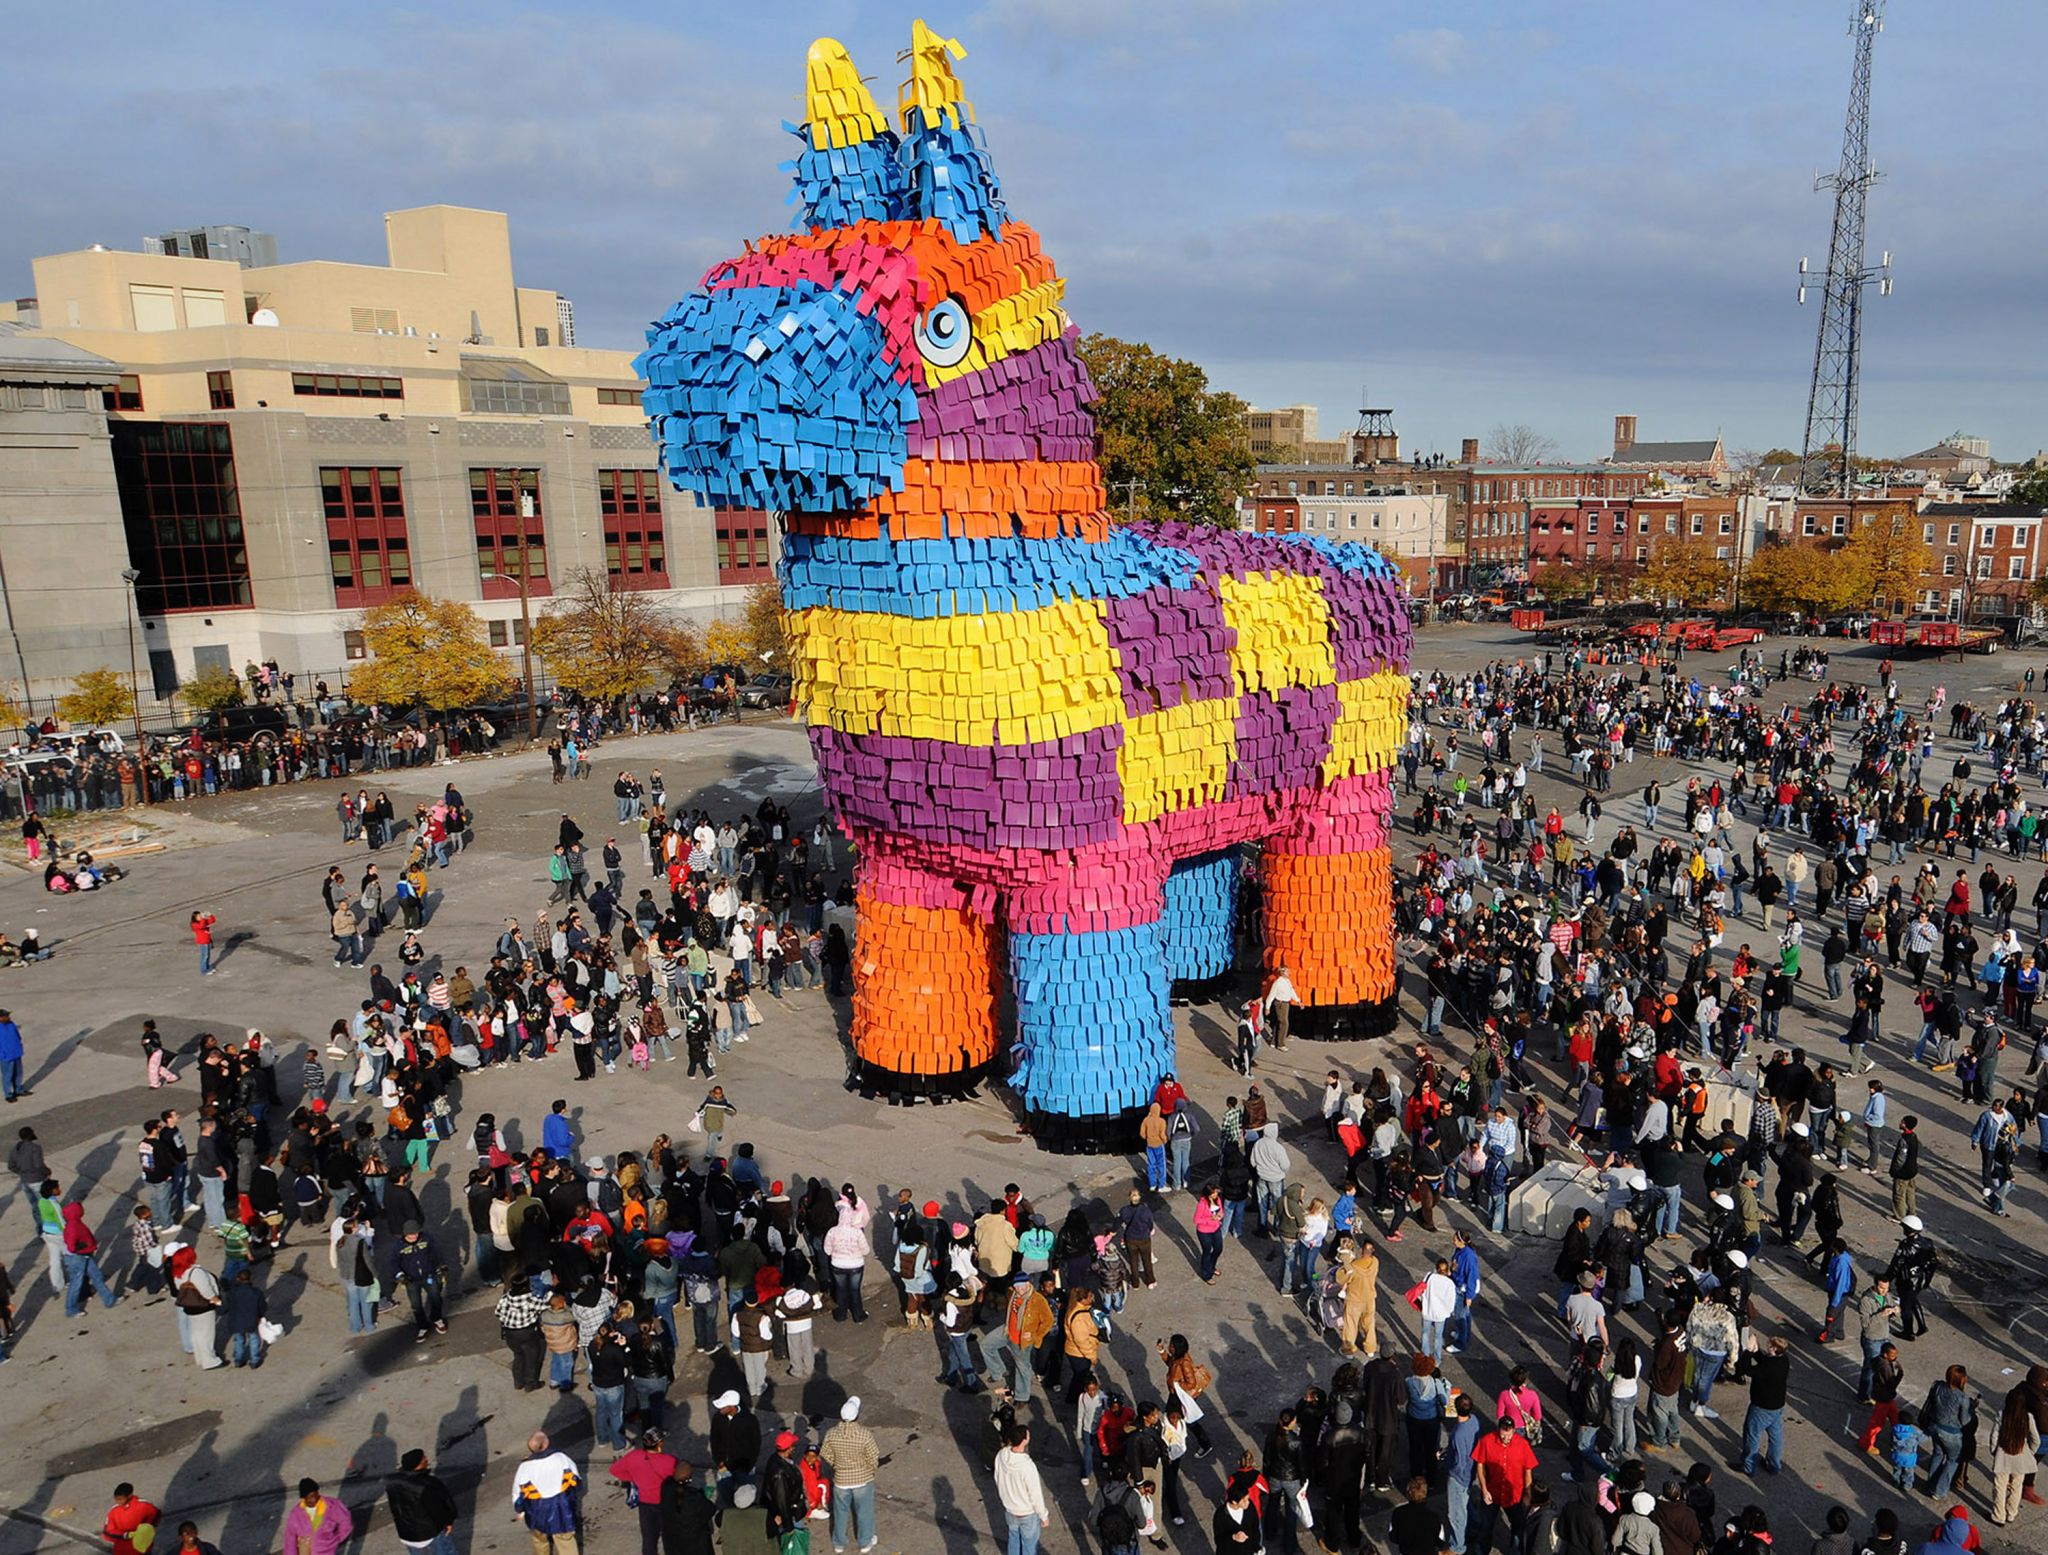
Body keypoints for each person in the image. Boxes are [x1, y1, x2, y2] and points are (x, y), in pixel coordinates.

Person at [821, 1395, 879, 1554]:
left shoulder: (832, 1433)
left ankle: (839, 1543)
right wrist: (869, 1471)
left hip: (841, 1480)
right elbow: (873, 1457)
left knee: (840, 1513)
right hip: (862, 1479)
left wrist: (836, 1465)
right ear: (857, 1415)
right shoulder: (864, 1434)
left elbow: (825, 1453)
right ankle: (865, 1542)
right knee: (864, 1513)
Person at [513, 1431, 583, 1555]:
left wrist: (520, 1511)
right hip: (561, 1508)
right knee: (565, 1540)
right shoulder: (561, 1458)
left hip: (536, 1510)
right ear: (546, 1444)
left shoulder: (524, 1467)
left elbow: (518, 1493)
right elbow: (575, 1479)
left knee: (539, 1539)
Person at [994, 1423, 1050, 1555]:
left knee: (1013, 1540)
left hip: (1010, 1510)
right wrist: (1043, 1515)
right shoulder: (1027, 1466)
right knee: (1029, 1546)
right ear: (1024, 1440)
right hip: (1027, 1513)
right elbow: (1035, 1494)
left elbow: (997, 1478)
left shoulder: (1001, 1455)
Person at [283, 1479, 354, 1555]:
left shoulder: (331, 1506)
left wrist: (337, 1538)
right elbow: (290, 1540)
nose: (314, 1499)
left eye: (315, 1495)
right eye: (310, 1497)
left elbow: (345, 1521)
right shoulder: (296, 1514)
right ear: (304, 1498)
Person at [103, 1484, 162, 1555]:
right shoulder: (114, 1511)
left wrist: (145, 1529)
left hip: (141, 1549)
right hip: (121, 1551)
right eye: (116, 1499)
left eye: (120, 1499)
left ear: (130, 1496)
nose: (118, 1502)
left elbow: (155, 1515)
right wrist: (126, 1535)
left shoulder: (144, 1505)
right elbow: (109, 1531)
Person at [0, 1010, 27, 1102]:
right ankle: (8, 1094)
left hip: (16, 1052)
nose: (8, 1017)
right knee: (8, 1076)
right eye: (6, 1016)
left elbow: (17, 1036)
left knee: (18, 1073)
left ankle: (18, 1089)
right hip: (6, 1056)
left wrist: (19, 1046)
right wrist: (2, 1054)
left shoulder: (11, 1024)